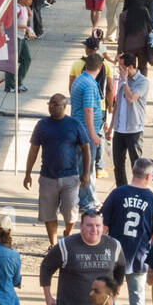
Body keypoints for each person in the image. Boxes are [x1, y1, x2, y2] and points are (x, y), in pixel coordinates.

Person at [101, 157, 153, 305]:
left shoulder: (117, 193)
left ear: (133, 171)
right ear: (148, 176)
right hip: (139, 258)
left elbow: (103, 227)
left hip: (114, 256)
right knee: (137, 302)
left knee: (108, 297)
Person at [24, 92, 92, 247]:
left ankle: (67, 233)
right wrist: (27, 173)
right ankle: (53, 244)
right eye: (50, 104)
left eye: (56, 104)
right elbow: (33, 150)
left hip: (70, 177)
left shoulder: (74, 124)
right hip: (48, 176)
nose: (52, 107)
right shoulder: (42, 125)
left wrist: (86, 173)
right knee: (49, 213)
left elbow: (86, 148)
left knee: (70, 212)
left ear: (64, 106)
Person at [70, 54, 106, 208]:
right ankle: (86, 201)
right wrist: (93, 134)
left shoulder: (80, 79)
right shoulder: (90, 85)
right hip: (85, 132)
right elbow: (88, 110)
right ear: (99, 67)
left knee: (82, 166)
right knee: (86, 167)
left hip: (78, 129)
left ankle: (86, 197)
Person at [109, 53, 148, 187]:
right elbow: (117, 105)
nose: (119, 70)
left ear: (130, 67)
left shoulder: (142, 81)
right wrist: (110, 127)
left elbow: (130, 98)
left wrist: (125, 81)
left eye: (121, 67)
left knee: (136, 164)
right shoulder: (121, 79)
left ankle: (138, 188)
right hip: (119, 129)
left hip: (134, 129)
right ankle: (121, 190)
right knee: (118, 164)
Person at [15, 0, 36, 92]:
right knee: (14, 60)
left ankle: (19, 81)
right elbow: (13, 23)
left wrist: (29, 12)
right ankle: (11, 84)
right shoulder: (17, 8)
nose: (30, 2)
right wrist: (25, 28)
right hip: (16, 37)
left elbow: (27, 18)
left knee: (27, 59)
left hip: (23, 37)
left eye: (31, 0)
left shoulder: (25, 8)